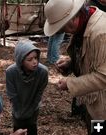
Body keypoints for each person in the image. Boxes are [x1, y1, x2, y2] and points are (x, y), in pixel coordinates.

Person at [44, 0, 106, 134]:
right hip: (95, 103)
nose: (61, 31)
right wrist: (71, 64)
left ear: (71, 19)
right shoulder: (84, 24)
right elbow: (92, 58)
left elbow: (103, 76)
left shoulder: (101, 33)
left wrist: (70, 83)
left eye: (61, 27)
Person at [6, 40, 48, 135]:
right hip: (17, 108)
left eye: (36, 58)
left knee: (32, 128)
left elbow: (39, 93)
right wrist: (18, 112)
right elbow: (12, 95)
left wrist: (31, 110)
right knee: (18, 129)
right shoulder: (11, 72)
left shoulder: (43, 72)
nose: (34, 62)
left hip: (33, 107)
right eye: (29, 60)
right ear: (21, 61)